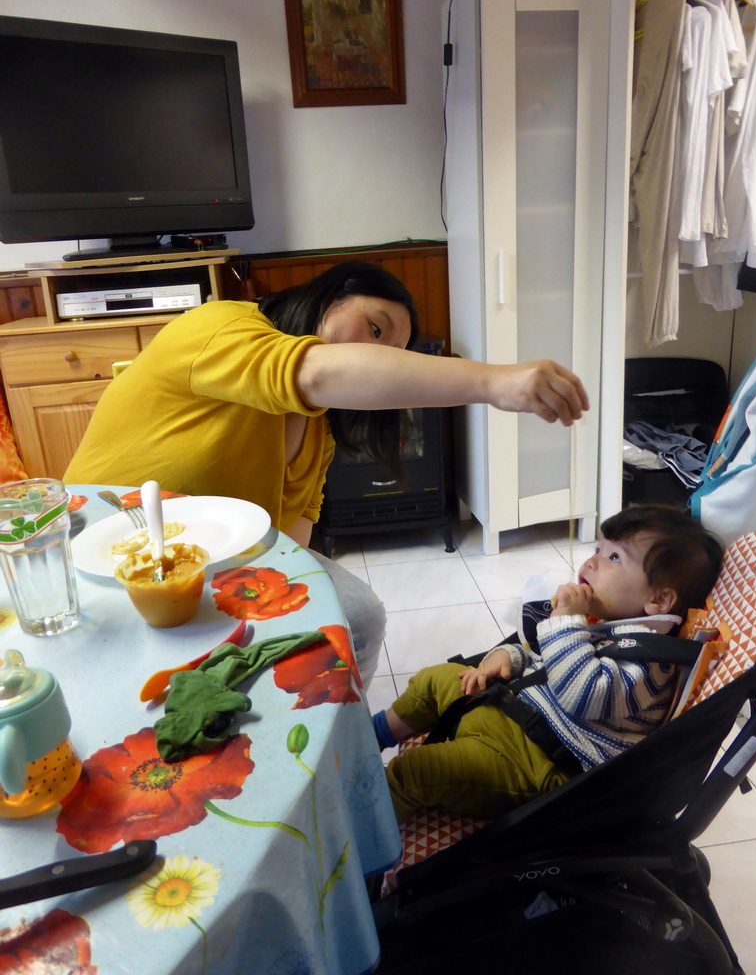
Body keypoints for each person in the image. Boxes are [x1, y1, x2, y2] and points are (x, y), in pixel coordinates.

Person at [63, 261, 589, 686]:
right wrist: (497, 383)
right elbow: (314, 371)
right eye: (374, 329)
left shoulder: (319, 434)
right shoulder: (221, 326)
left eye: (391, 355)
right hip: (104, 536)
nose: (374, 354)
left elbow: (290, 537)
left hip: (206, 563)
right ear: (332, 294)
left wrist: (274, 622)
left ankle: (335, 738)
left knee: (358, 615)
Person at [372, 504, 723, 822]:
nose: (592, 562)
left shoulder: (650, 663)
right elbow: (546, 660)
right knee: (437, 678)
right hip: (514, 715)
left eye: (615, 558)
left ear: (658, 599)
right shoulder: (604, 623)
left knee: (418, 771)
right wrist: (507, 657)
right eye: (598, 549)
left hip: (539, 763)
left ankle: (365, 839)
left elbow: (581, 694)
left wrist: (565, 620)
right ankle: (373, 735)